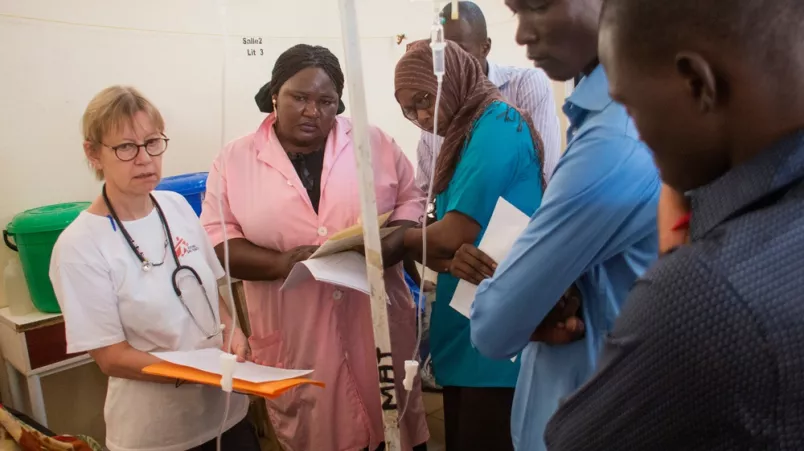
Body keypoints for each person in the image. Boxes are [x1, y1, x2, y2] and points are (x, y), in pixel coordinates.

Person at [546, 0, 804, 448]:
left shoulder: (706, 294)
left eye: (629, 105)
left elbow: (572, 440)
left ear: (697, 83)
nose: (635, 131)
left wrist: (674, 262)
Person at [448, 0, 661, 449]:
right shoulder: (600, 120)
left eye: (538, 7)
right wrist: (546, 289)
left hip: (591, 413)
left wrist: (525, 295)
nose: (523, 32)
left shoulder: (610, 141)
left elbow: (491, 326)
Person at [200, 44, 429, 451]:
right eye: (299, 98)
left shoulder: (372, 142)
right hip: (294, 325)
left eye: (326, 102)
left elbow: (411, 198)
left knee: (393, 427)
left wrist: (396, 238)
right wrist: (280, 263)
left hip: (372, 309)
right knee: (320, 431)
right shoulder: (234, 159)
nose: (312, 111)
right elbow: (218, 237)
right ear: (275, 93)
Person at [49, 86, 259, 451]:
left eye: (153, 142)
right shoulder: (80, 245)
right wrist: (195, 373)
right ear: (93, 153)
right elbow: (112, 358)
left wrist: (232, 333)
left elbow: (209, 292)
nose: (145, 158)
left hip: (229, 416)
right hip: (158, 435)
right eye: (126, 147)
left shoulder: (176, 206)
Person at [395, 39, 546, 451]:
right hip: (469, 319)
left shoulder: (497, 125)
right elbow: (447, 243)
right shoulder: (464, 135)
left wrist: (392, 240)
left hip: (494, 330)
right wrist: (434, 251)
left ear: (453, 80)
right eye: (408, 110)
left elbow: (452, 233)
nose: (421, 116)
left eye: (425, 99)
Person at [415, 1, 560, 194]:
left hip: (521, 220)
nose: (451, 63)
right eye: (442, 54)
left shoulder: (525, 86)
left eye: (459, 51)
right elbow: (425, 194)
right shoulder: (435, 115)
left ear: (485, 47)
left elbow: (540, 176)